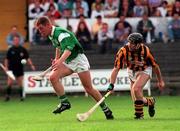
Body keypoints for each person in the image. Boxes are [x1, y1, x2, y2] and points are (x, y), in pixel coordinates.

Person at [36, 16, 114, 119]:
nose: (40, 32)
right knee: (53, 77)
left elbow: (68, 50)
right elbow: (58, 47)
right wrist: (56, 58)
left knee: (88, 88)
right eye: (39, 30)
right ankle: (65, 103)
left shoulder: (61, 33)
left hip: (78, 61)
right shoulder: (51, 35)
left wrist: (59, 61)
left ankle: (106, 109)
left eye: (41, 28)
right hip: (68, 61)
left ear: (48, 25)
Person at [107, 32, 165, 119]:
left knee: (136, 88)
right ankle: (150, 102)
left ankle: (139, 115)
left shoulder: (146, 51)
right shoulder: (123, 51)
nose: (130, 45)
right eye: (129, 42)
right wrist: (111, 84)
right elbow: (116, 68)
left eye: (133, 43)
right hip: (131, 71)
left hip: (144, 70)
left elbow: (155, 66)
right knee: (137, 100)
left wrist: (160, 81)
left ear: (139, 44)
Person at [4, 35, 36, 101]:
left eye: (17, 40)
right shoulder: (10, 49)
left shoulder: (22, 49)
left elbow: (27, 58)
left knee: (20, 83)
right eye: (15, 40)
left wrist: (31, 65)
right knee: (9, 82)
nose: (16, 41)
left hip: (19, 68)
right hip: (11, 69)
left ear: (19, 41)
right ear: (13, 41)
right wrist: (6, 67)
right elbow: (6, 59)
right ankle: (7, 96)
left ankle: (21, 97)